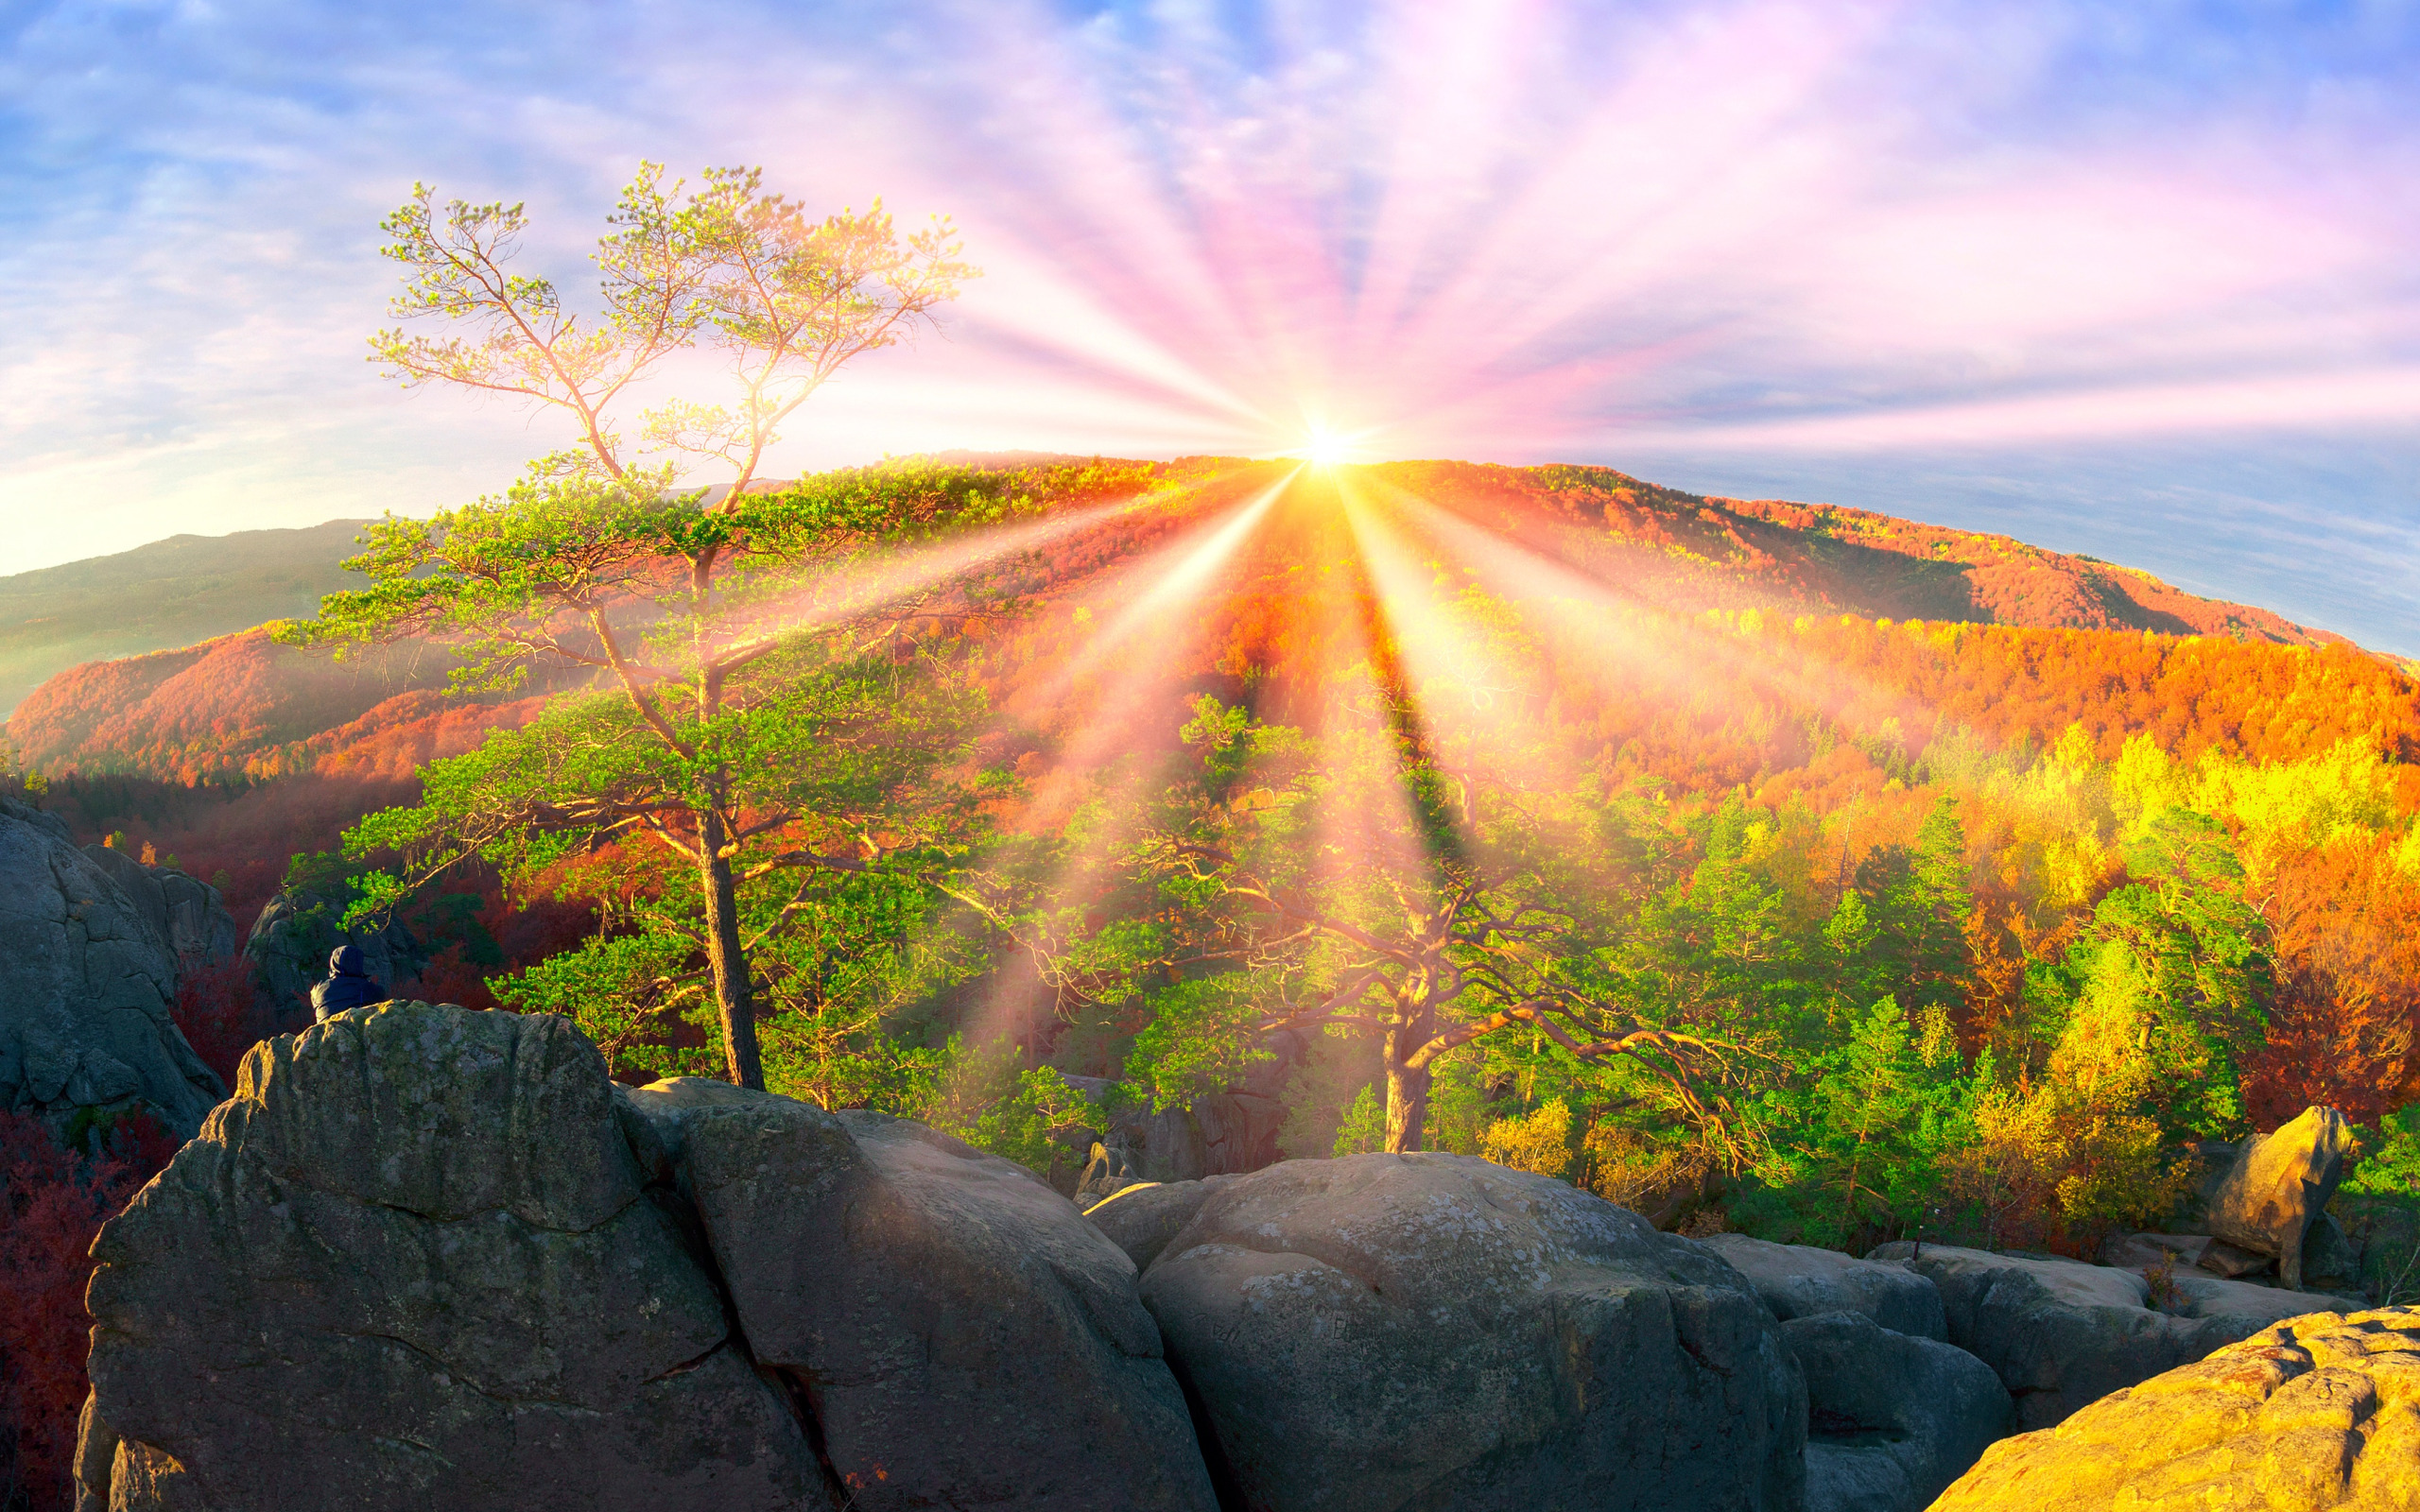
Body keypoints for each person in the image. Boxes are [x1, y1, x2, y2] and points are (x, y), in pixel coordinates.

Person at [310, 943, 387, 1022]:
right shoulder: (365, 987)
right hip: (353, 1032)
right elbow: (381, 995)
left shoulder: (317, 989)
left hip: (323, 1032)